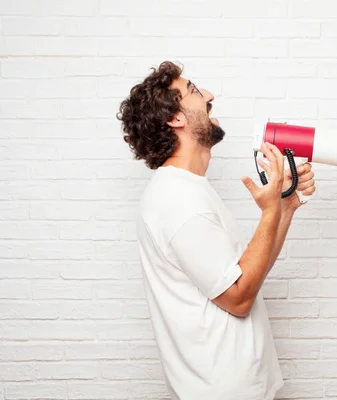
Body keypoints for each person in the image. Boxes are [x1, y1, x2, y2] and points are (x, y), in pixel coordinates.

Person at [116, 61, 316, 400]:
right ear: (175, 118)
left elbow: (250, 275)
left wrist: (285, 206)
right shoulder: (178, 199)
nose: (209, 96)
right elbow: (238, 299)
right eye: (194, 91)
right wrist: (269, 211)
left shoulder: (189, 190)